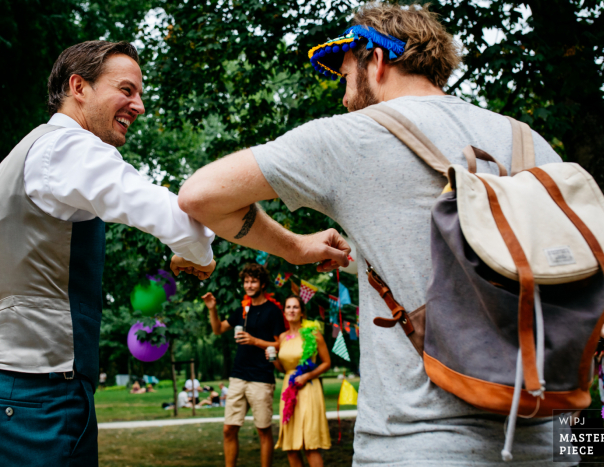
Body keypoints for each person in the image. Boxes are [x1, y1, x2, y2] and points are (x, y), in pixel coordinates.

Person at [178, 3, 573, 465]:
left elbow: (199, 195)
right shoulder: (529, 141)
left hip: (417, 443)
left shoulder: (352, 136)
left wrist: (295, 247)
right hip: (551, 438)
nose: (344, 98)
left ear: (376, 60)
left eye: (346, 75)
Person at [0, 40, 216, 467]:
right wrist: (200, 255)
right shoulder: (68, 147)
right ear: (79, 86)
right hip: (41, 401)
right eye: (127, 90)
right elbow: (172, 215)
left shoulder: (13, 167)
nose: (140, 106)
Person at [201, 263, 286, 467]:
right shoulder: (242, 310)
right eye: (246, 281)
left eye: (253, 281)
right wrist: (213, 309)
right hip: (238, 375)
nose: (249, 285)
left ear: (262, 284)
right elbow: (218, 329)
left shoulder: (273, 311)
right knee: (229, 429)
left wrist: (254, 340)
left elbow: (281, 344)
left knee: (263, 430)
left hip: (261, 377)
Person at [269, 296, 330, 467]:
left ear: (302, 312)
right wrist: (273, 360)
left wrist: (307, 376)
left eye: (295, 307)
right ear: (284, 311)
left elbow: (326, 363)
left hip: (308, 388)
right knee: (291, 446)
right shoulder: (282, 337)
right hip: (289, 388)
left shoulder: (312, 334)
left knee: (310, 445)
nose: (291, 310)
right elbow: (284, 368)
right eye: (288, 307)